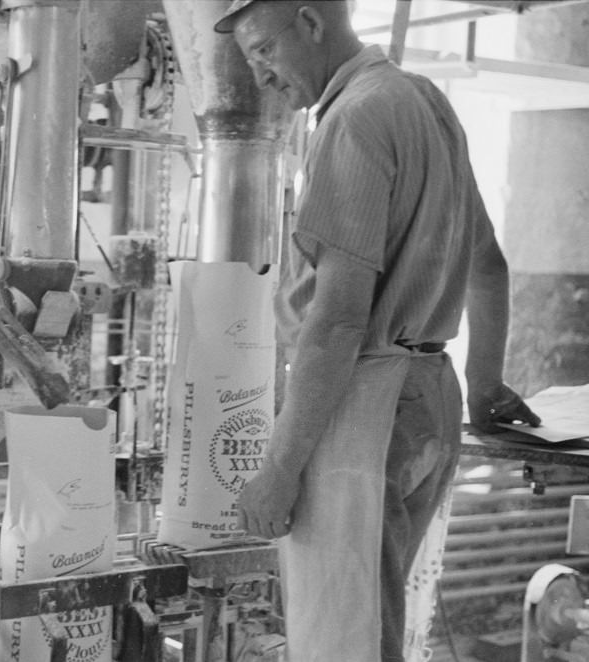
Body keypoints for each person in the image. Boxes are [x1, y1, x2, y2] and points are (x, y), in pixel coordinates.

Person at [213, 1, 542, 660]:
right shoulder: (426, 101)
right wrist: (483, 384)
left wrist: (279, 469)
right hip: (431, 397)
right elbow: (488, 261)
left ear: (310, 22)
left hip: (365, 404)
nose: (262, 78)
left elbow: (337, 321)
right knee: (377, 630)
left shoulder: (355, 117)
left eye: (264, 53)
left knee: (343, 643)